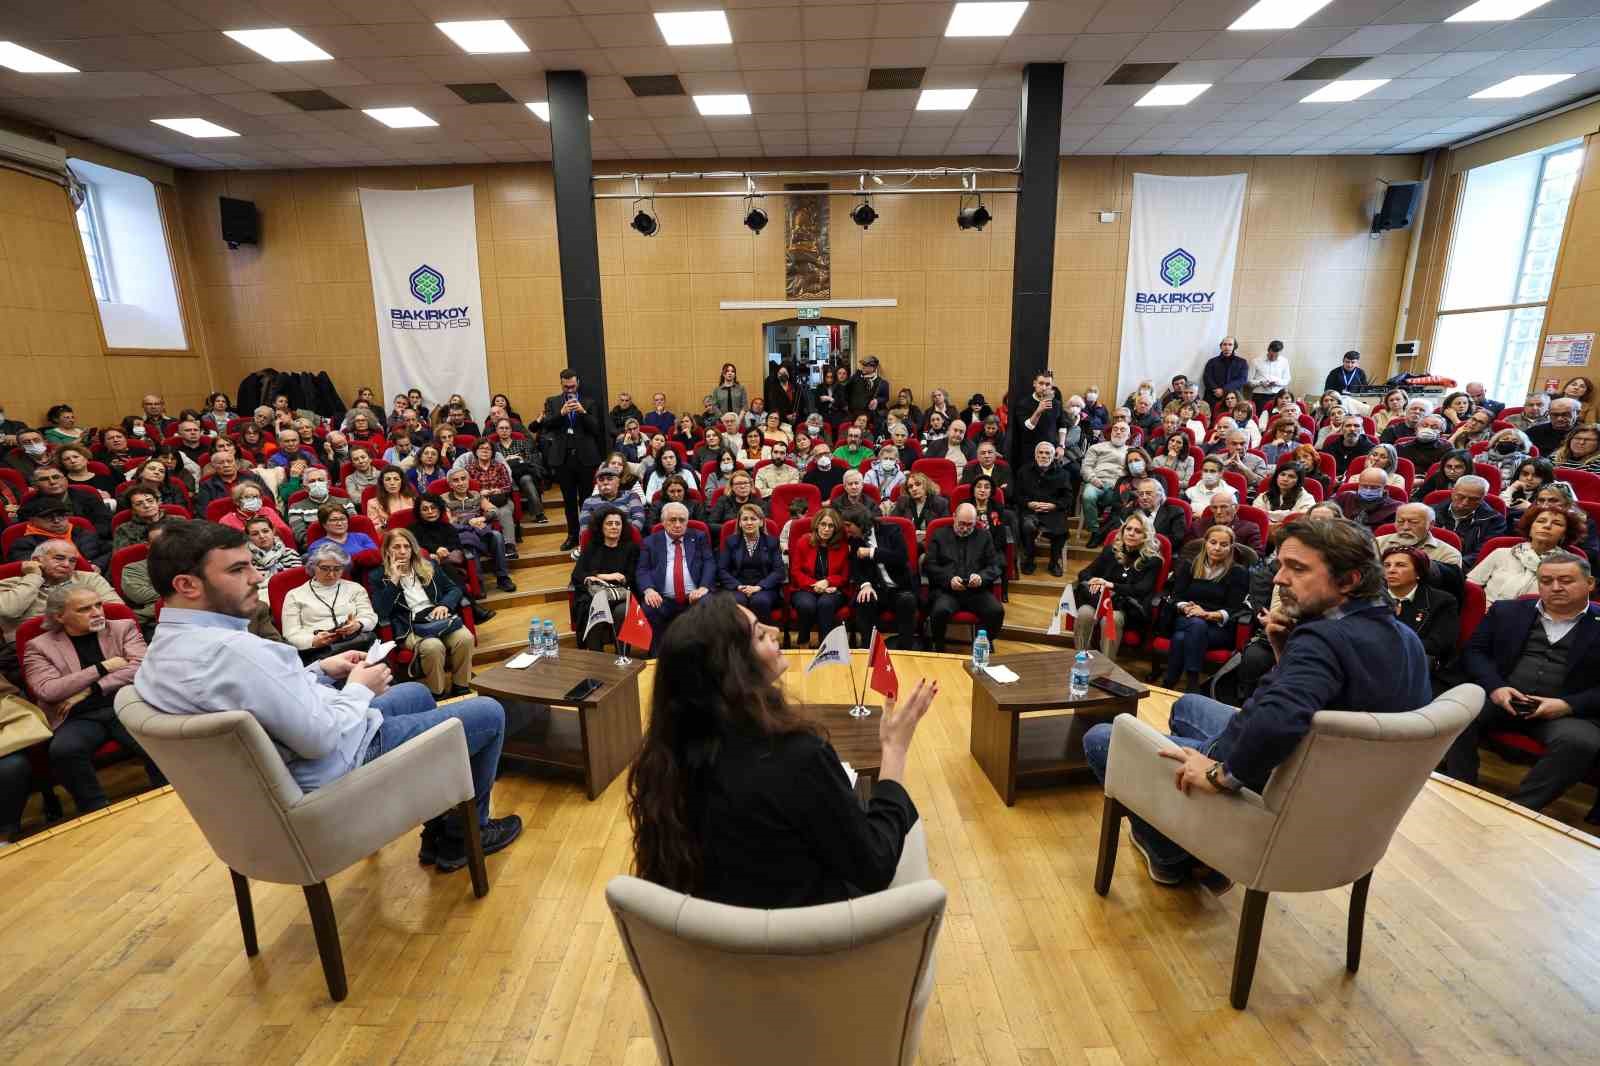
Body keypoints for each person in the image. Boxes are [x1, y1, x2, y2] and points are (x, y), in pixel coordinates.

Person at [137, 521, 519, 868]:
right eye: (238, 570)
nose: (256, 577)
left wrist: (319, 670)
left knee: (416, 697)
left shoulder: (161, 651)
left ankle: (441, 832)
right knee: (487, 712)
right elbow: (320, 740)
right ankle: (465, 835)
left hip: (288, 764)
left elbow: (265, 696)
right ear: (187, 585)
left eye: (251, 565)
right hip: (333, 769)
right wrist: (357, 689)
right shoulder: (236, 652)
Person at [1085, 518, 1431, 885]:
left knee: (1104, 738)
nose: (1279, 579)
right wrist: (1285, 652)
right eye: (1281, 565)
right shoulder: (1405, 637)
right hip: (1337, 789)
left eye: (1297, 568)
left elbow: (1276, 721)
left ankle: (1172, 854)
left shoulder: (1323, 640)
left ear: (1348, 581)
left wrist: (1220, 775)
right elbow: (1326, 701)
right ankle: (1194, 825)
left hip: (1275, 780)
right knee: (1187, 705)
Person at [626, 594, 934, 905]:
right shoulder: (801, 755)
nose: (775, 629)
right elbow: (875, 866)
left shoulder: (665, 759)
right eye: (760, 634)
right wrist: (894, 751)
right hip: (813, 939)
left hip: (719, 940)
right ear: (736, 670)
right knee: (900, 812)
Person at [1445, 550, 1600, 816]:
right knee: (1456, 713)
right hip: (1503, 698)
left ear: (1590, 584)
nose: (1555, 587)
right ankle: (1462, 790)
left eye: (1566, 580)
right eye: (1546, 581)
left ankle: (1518, 810)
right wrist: (1495, 687)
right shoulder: (1508, 611)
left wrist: (1567, 705)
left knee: (1580, 743)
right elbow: (1475, 652)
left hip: (1565, 712)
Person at [23, 585, 161, 814]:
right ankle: (95, 809)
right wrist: (101, 667)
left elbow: (142, 666)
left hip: (124, 703)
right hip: (76, 717)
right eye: (84, 609)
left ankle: (168, 788)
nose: (97, 612)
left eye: (98, 605)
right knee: (64, 750)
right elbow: (48, 690)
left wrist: (92, 689)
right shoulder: (39, 646)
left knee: (153, 733)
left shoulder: (122, 628)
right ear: (60, 616)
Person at [1159, 524, 1248, 690]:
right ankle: (1192, 683)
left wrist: (1208, 615)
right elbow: (1176, 597)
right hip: (1186, 618)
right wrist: (1186, 607)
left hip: (1218, 628)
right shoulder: (1189, 566)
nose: (1217, 548)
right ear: (1205, 543)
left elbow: (1235, 609)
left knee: (1181, 638)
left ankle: (1169, 681)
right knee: (1196, 624)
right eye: (1213, 542)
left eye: (1223, 544)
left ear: (1231, 547)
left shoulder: (1238, 572)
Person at [1075, 512, 1161, 660]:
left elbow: (1141, 590)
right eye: (1128, 529)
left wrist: (1110, 585)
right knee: (1084, 613)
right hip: (1100, 601)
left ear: (1146, 536)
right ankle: (1082, 662)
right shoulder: (1111, 551)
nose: (1131, 533)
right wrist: (1094, 581)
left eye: (1138, 531)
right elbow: (1084, 573)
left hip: (1127, 608)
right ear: (1123, 531)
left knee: (1111, 619)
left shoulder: (1153, 560)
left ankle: (1107, 668)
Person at [923, 503, 1004, 653]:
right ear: (954, 517)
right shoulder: (939, 535)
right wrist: (949, 580)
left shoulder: (984, 536)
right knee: (939, 611)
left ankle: (984, 643)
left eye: (970, 525)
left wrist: (981, 577)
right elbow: (929, 565)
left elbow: (995, 566)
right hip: (948, 591)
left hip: (976, 591)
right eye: (962, 524)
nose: (965, 528)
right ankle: (939, 645)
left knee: (996, 611)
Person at [638, 501, 716, 653]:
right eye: (673, 520)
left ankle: (705, 655)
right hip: (663, 598)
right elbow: (642, 569)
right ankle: (657, 657)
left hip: (694, 597)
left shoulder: (699, 537)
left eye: (682, 520)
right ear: (663, 522)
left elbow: (709, 563)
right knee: (650, 607)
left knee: (708, 603)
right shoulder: (650, 542)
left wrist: (703, 587)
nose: (678, 524)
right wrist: (649, 590)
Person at [1467, 503, 1586, 604]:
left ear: (1564, 535)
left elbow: (1570, 604)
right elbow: (1471, 587)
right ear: (1530, 528)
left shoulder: (1570, 566)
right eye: (1541, 521)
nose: (1547, 526)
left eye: (1557, 524)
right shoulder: (1501, 554)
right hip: (1487, 614)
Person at [836, 504, 917, 651]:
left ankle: (906, 651)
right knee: (864, 600)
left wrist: (872, 553)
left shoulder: (891, 530)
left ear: (860, 523)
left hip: (898, 588)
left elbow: (901, 557)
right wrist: (865, 585)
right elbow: (856, 568)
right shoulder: (854, 541)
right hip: (876, 589)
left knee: (907, 601)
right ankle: (868, 650)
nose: (846, 530)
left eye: (848, 525)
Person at [541, 369, 606, 551]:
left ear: (578, 382)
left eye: (572, 385)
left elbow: (596, 429)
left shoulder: (590, 402)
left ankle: (588, 535)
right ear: (561, 384)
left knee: (586, 500)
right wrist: (560, 414)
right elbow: (546, 426)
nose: (569, 389)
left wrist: (583, 412)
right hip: (563, 459)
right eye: (566, 386)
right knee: (569, 500)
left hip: (586, 458)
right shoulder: (553, 402)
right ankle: (572, 535)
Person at [1381, 545, 1459, 692]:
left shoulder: (1443, 601)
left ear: (1418, 572)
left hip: (1417, 668)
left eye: (1400, 565)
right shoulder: (1369, 598)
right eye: (1386, 565)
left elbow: (1437, 645)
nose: (1391, 570)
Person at [281, 542, 378, 660]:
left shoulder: (355, 588)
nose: (331, 574)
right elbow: (291, 634)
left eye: (337, 569)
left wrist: (358, 624)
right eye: (325, 568)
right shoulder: (294, 595)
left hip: (357, 644)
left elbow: (370, 616)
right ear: (312, 566)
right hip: (320, 652)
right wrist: (313, 641)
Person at [570, 506, 640, 651]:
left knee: (622, 611)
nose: (614, 527)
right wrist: (606, 576)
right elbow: (577, 575)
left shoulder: (631, 548)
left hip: (621, 595)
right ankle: (597, 657)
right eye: (609, 523)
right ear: (601, 527)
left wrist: (595, 576)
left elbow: (632, 576)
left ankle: (622, 655)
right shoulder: (592, 547)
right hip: (594, 596)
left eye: (617, 523)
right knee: (595, 607)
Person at [441, 469, 517, 589]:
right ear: (450, 484)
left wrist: (482, 518)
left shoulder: (476, 495)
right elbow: (449, 522)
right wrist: (469, 520)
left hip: (481, 531)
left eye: (463, 479)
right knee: (470, 542)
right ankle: (478, 582)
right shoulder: (444, 499)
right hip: (461, 534)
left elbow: (495, 511)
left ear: (468, 480)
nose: (460, 483)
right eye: (455, 480)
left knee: (496, 535)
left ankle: (503, 578)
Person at [787, 505, 849, 648]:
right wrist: (815, 585)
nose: (826, 529)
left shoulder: (842, 546)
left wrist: (827, 582)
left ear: (836, 529)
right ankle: (803, 642)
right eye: (823, 524)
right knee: (806, 605)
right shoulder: (804, 541)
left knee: (825, 604)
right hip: (805, 588)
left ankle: (825, 646)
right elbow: (795, 572)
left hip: (833, 589)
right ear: (817, 525)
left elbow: (844, 576)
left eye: (831, 526)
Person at [716, 502, 785, 625]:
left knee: (760, 601)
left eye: (753, 519)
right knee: (736, 601)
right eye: (745, 519)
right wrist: (738, 586)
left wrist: (759, 587)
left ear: (761, 522)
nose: (749, 522)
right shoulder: (731, 542)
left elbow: (779, 571)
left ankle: (763, 639)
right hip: (737, 587)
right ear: (740, 523)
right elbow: (722, 570)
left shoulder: (771, 542)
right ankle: (738, 641)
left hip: (764, 588)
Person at [1377, 502, 1465, 595]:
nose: (1405, 527)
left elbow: (1447, 591)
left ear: (1431, 524)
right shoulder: (1377, 544)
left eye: (1414, 522)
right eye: (1400, 521)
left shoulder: (1448, 554)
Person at [7, 496, 106, 572]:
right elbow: (36, 568)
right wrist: (82, 568)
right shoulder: (23, 544)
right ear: (32, 521)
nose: (56, 520)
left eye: (61, 515)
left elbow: (111, 551)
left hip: (94, 578)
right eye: (48, 517)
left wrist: (97, 565)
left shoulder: (83, 533)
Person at [1431, 474, 1507, 566]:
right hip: (1429, 560)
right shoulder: (1431, 512)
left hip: (1464, 567)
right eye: (1461, 496)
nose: (1465, 502)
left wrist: (1454, 565)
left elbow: (1482, 553)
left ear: (1483, 498)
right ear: (1452, 492)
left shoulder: (1494, 520)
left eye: (1473, 499)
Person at [21, 464, 111, 540]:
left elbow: (104, 525)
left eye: (56, 477)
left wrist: (84, 540)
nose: (52, 482)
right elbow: (29, 535)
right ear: (36, 486)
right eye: (44, 479)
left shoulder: (88, 497)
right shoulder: (29, 506)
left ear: (66, 480)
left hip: (89, 541)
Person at [1079, 422, 1130, 543]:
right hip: (1097, 482)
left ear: (1128, 435)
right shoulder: (1097, 447)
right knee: (1087, 496)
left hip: (1119, 486)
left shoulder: (1132, 451)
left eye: (1122, 430)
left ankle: (1110, 529)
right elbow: (1085, 468)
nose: (1118, 432)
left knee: (1123, 501)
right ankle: (1095, 531)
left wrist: (1122, 484)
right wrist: (1093, 479)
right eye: (1115, 429)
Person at [890, 470, 949, 544]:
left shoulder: (940, 503)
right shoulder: (903, 502)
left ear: (925, 485)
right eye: (910, 487)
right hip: (907, 542)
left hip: (931, 542)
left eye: (917, 484)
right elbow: (892, 524)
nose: (914, 489)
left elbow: (945, 529)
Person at [1195, 490, 1264, 553]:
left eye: (1224, 507)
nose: (1218, 512)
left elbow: (1257, 556)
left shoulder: (1249, 528)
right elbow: (1188, 551)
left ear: (1236, 508)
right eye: (1214, 507)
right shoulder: (1198, 525)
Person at [1334, 466, 1400, 531]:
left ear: (1384, 487)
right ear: (1359, 484)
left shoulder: (1395, 508)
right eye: (1364, 486)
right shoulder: (1345, 497)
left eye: (1374, 487)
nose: (1368, 490)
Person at [305, 504, 377, 562]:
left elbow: (375, 556)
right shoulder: (317, 546)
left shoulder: (362, 537)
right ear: (324, 524)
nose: (339, 523)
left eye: (343, 519)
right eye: (333, 520)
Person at [365, 467, 417, 534]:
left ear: (402, 481)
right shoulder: (373, 503)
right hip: (389, 536)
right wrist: (385, 526)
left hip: (412, 534)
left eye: (396, 479)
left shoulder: (412, 499)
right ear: (382, 483)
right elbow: (374, 529)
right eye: (387, 479)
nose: (392, 483)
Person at [1412, 447, 1476, 501]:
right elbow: (1416, 497)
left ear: (1468, 468)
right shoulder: (1437, 476)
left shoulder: (1476, 483)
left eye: (1458, 467)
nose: (1452, 472)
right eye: (1448, 467)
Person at [1202, 337, 1248, 404]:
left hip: (1234, 397)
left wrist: (1224, 390)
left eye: (1230, 344)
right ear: (1221, 346)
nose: (1227, 347)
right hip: (1214, 396)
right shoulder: (1212, 362)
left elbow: (1242, 379)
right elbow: (1207, 377)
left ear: (1234, 347)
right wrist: (1216, 390)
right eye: (1225, 344)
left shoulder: (1242, 362)